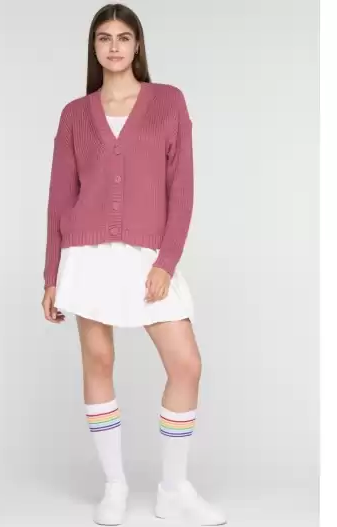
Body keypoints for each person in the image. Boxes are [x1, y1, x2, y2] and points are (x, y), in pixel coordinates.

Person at [41, 4, 227, 526]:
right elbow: (59, 199)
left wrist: (166, 261)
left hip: (148, 253)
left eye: (124, 37)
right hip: (87, 254)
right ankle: (115, 486)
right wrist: (51, 276)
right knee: (99, 361)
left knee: (185, 364)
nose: (114, 47)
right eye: (104, 38)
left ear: (138, 45)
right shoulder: (75, 114)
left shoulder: (168, 102)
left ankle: (174, 489)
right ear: (94, 47)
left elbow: (182, 190)